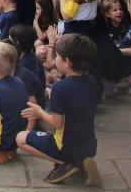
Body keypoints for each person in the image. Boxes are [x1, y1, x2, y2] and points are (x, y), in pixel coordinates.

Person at [17, 34, 102, 186]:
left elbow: (57, 122)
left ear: (67, 62)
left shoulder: (60, 88)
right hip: (89, 144)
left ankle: (66, 162)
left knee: (21, 138)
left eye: (57, 56)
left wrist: (39, 112)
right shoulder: (92, 82)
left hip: (64, 146)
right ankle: (82, 160)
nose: (55, 59)